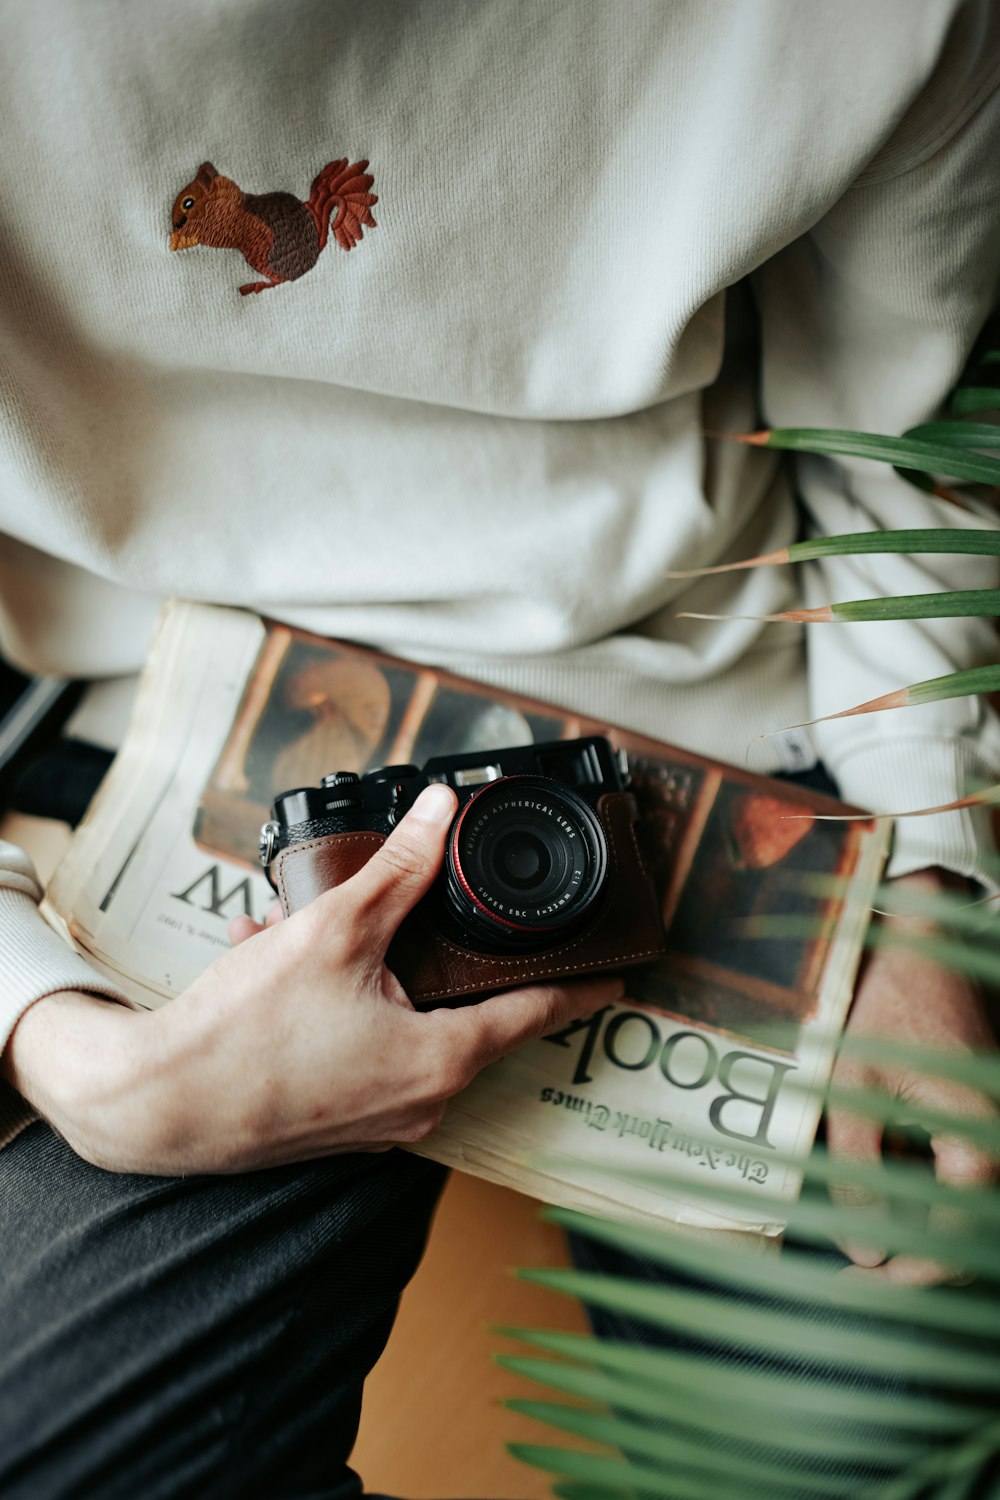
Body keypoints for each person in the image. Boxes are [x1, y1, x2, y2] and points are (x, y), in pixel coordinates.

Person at [1, 2, 999, 1495]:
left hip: (706, 705)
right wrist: (68, 1045)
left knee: (897, 1438)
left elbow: (904, 423)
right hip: (149, 703)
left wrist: (929, 864)